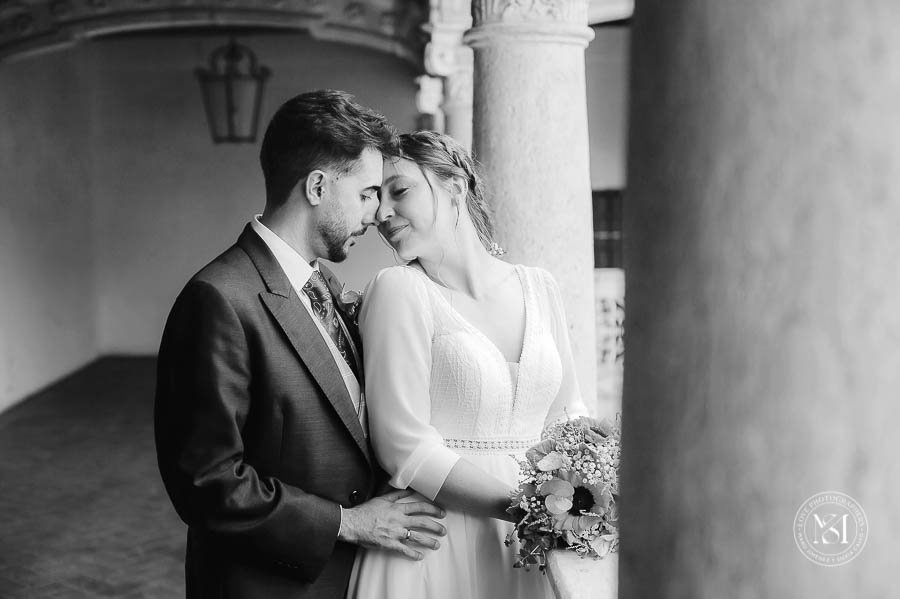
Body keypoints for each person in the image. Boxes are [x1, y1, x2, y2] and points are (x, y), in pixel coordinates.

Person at [154, 90, 446, 599]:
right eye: (367, 193)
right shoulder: (219, 298)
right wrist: (349, 523)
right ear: (316, 186)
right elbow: (206, 482)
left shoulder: (323, 285)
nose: (377, 213)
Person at [347, 131, 589, 599]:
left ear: (455, 185)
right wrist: (525, 508)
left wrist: (583, 493)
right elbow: (404, 447)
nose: (382, 213)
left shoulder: (540, 288)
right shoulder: (398, 290)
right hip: (440, 542)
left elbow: (569, 411)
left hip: (537, 540)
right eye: (376, 198)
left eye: (399, 191)